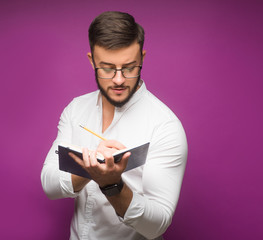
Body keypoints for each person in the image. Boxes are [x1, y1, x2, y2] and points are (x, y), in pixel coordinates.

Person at [41, 11, 187, 240]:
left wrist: (113, 185)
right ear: (92, 61)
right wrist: (89, 171)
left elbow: (156, 225)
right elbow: (49, 184)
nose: (119, 79)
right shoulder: (76, 109)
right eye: (107, 68)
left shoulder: (164, 126)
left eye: (129, 67)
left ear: (142, 58)